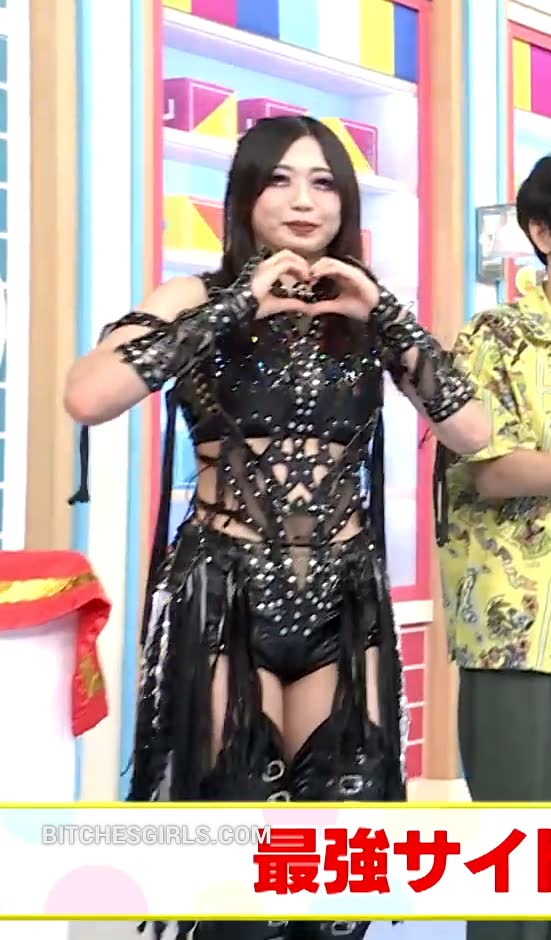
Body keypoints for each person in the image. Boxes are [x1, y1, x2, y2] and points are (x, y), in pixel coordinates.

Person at [64, 116, 490, 940]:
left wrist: (386, 315)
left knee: (334, 863)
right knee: (239, 860)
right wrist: (235, 305)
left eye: (323, 183)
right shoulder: (190, 296)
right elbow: (88, 395)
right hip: (226, 594)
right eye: (280, 180)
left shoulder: (364, 313)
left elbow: (472, 432)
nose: (303, 201)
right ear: (245, 195)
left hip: (344, 601)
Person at [436, 154, 551, 940]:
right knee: (521, 869)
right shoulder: (497, 337)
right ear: (541, 231)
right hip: (523, 633)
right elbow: (491, 468)